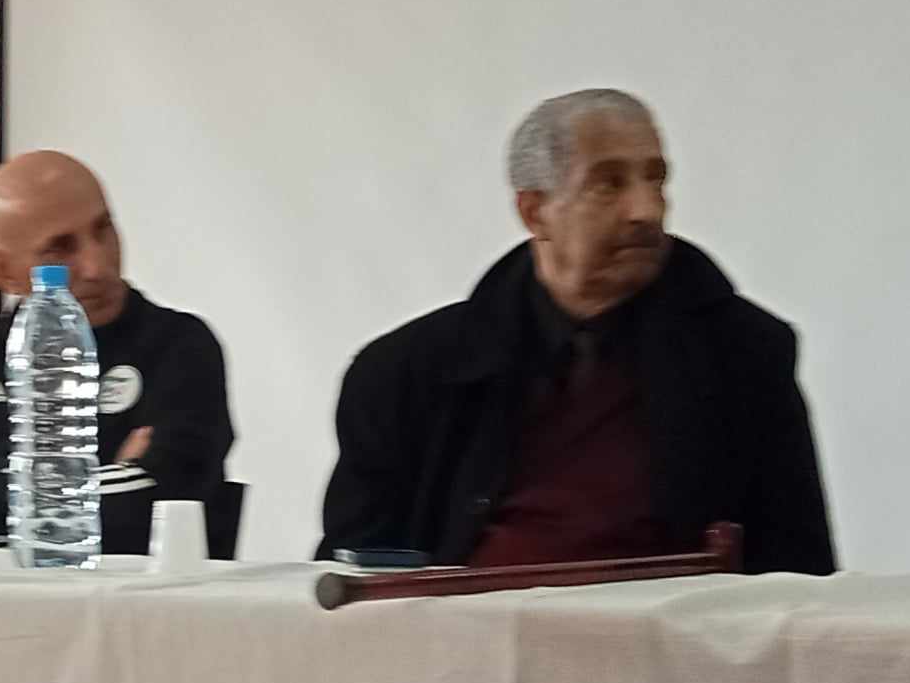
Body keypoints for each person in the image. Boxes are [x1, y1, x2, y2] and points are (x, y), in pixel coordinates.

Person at [318, 89, 835, 573]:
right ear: (534, 211)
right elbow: (354, 577)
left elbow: (797, 570)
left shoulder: (742, 354)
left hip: (667, 636)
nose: (647, 210)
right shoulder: (404, 374)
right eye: (609, 184)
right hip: (463, 635)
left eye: (656, 180)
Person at [0, 151, 233, 552]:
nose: (96, 266)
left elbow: (156, 506)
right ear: (5, 272)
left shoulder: (181, 347)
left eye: (103, 230)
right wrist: (95, 492)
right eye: (58, 250)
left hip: (143, 595)